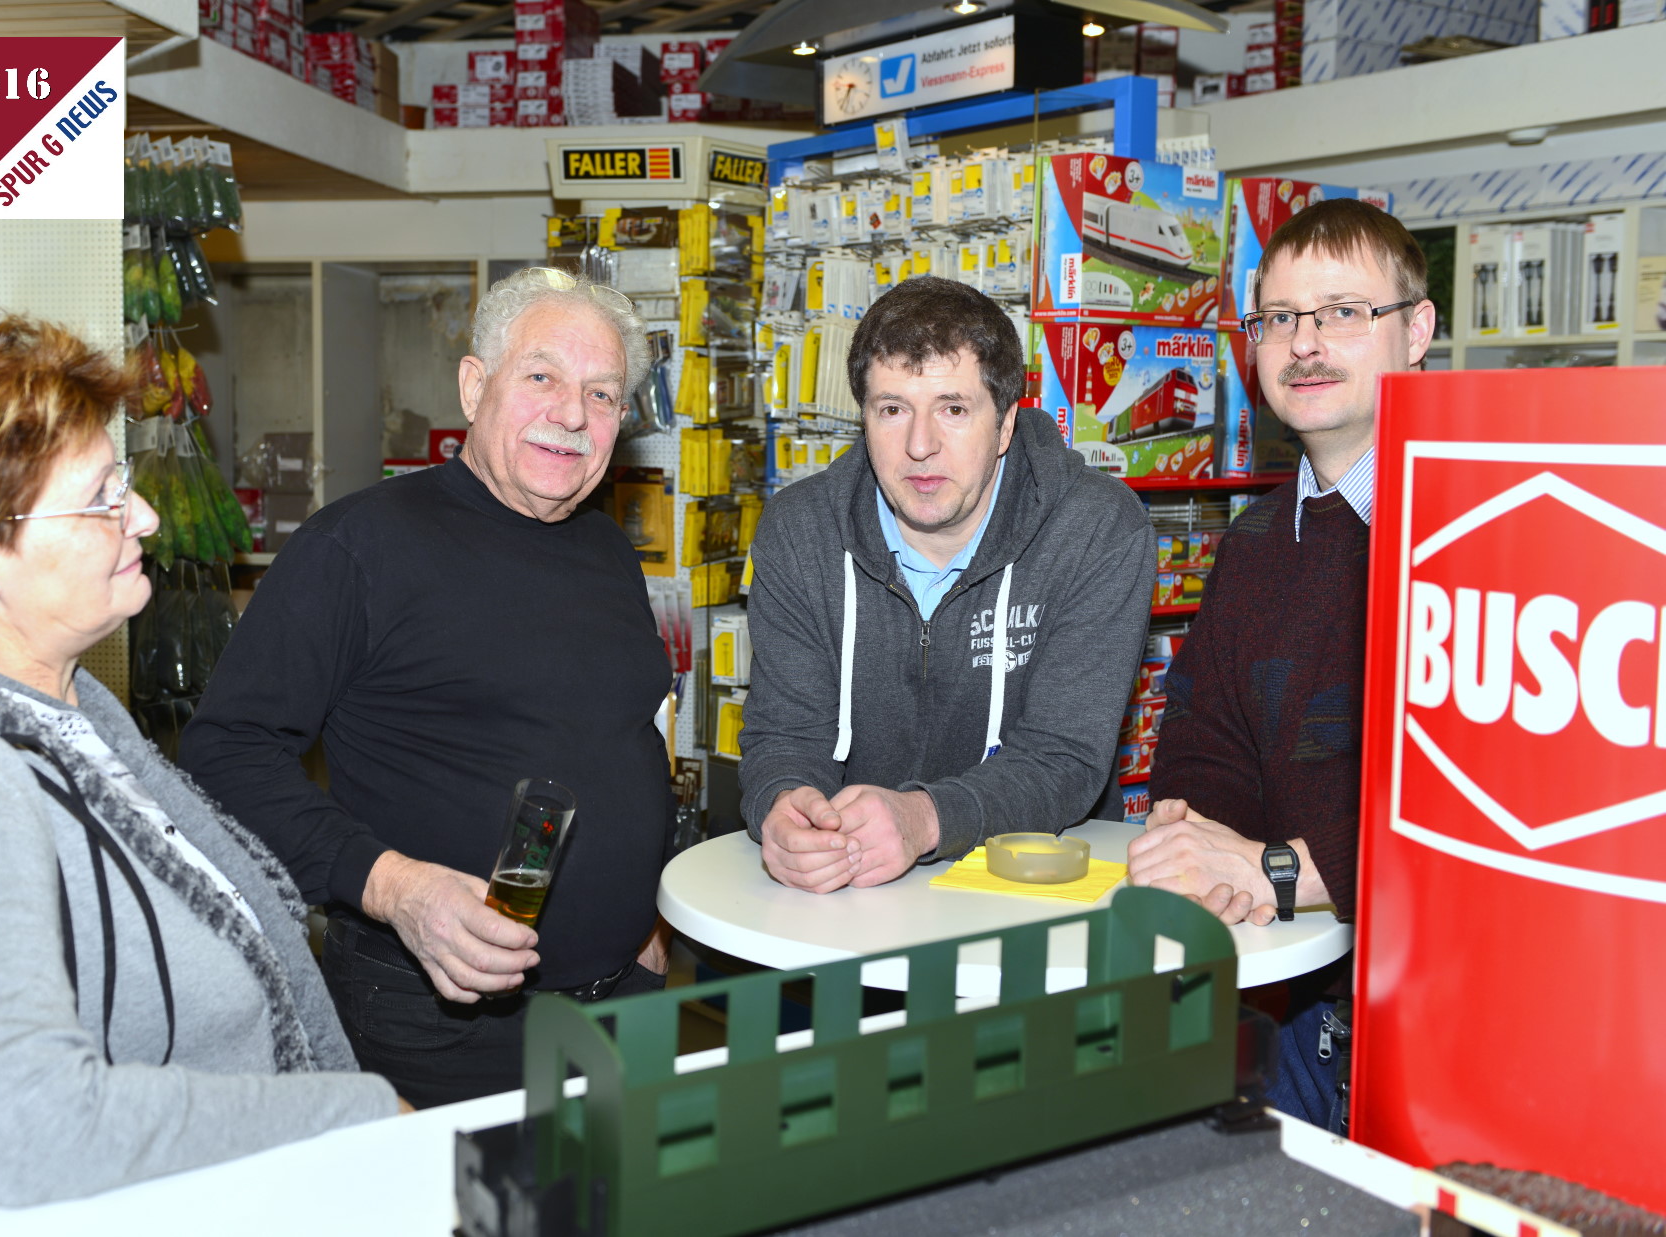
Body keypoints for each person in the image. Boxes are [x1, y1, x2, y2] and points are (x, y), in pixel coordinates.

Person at [0, 318, 398, 1212]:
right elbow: (25, 1125)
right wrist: (354, 1116)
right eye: (102, 494)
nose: (144, 514)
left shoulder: (76, 712)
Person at [179, 267, 673, 1109]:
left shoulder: (607, 550)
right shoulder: (358, 549)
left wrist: (643, 920)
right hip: (441, 1026)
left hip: (622, 1003)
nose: (571, 413)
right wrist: (394, 885)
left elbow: (619, 734)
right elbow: (223, 754)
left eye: (601, 393)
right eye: (542, 376)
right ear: (476, 385)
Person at [1128, 199, 1438, 1131]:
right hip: (1293, 1007)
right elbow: (1202, 740)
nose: (1305, 344)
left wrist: (1283, 868)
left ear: (1417, 330)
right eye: (1278, 318)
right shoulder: (1257, 539)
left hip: (1430, 1026)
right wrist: (1202, 844)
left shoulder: (1475, 532)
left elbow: (1472, 797)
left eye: (1344, 312)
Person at [739, 276, 1154, 893]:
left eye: (953, 409)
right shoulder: (801, 530)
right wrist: (785, 806)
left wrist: (924, 818)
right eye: (892, 409)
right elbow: (784, 733)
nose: (919, 446)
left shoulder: (1096, 528)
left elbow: (1063, 757)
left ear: (1006, 424)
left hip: (1034, 888)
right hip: (850, 896)